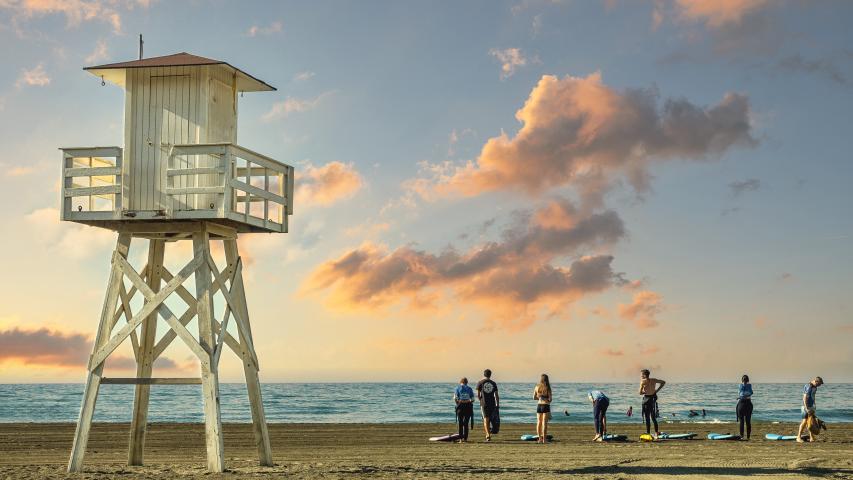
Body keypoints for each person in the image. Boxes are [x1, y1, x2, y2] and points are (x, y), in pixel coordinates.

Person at [638, 369, 665, 438]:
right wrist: (656, 390)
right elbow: (663, 382)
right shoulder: (654, 380)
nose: (641, 376)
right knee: (653, 417)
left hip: (647, 399)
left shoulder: (643, 382)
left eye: (641, 374)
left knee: (647, 417)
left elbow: (640, 393)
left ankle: (648, 433)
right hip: (653, 398)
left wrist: (645, 392)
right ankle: (656, 432)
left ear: (644, 375)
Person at [796, 376, 824, 443]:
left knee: (810, 421)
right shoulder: (809, 386)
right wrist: (806, 408)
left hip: (811, 406)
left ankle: (812, 437)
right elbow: (804, 397)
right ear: (816, 381)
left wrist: (814, 404)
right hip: (805, 406)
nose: (819, 386)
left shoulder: (815, 387)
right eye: (819, 384)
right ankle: (798, 437)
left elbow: (813, 396)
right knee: (804, 421)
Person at [476, 369, 500, 442]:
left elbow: (478, 395)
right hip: (492, 403)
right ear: (490, 375)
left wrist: (481, 401)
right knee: (491, 418)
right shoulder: (493, 383)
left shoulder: (480, 382)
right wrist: (497, 404)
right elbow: (496, 395)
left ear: (484, 374)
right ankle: (490, 432)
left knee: (486, 419)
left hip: (484, 404)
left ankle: (488, 435)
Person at [453, 377, 475, 443]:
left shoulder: (457, 388)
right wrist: (468, 400)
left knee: (460, 423)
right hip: (468, 407)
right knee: (466, 423)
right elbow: (473, 399)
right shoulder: (470, 388)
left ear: (461, 382)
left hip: (460, 406)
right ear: (466, 382)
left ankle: (460, 439)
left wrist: (459, 402)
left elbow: (455, 398)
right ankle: (465, 438)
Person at [533, 374, 552, 444]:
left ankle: (539, 439)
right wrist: (545, 398)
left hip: (539, 406)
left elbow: (534, 397)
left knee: (539, 423)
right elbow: (550, 399)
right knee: (544, 423)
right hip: (545, 406)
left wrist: (540, 397)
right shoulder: (547, 388)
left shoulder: (537, 387)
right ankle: (544, 440)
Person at [737, 374, 754, 440]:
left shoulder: (740, 385)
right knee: (748, 421)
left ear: (742, 380)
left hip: (741, 403)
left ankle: (741, 437)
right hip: (748, 404)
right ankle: (748, 437)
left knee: (741, 422)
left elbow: (740, 393)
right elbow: (751, 393)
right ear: (748, 380)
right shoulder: (749, 385)